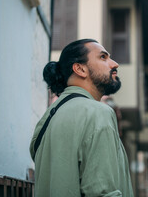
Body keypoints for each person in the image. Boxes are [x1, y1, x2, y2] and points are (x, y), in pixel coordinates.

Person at [30, 39, 134, 197]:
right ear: (80, 69)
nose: (114, 64)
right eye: (103, 57)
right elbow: (102, 193)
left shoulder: (47, 119)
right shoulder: (98, 113)